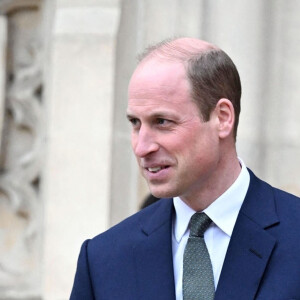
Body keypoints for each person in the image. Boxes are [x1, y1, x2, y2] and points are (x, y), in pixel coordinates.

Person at [70, 38, 300, 300]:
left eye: (162, 122)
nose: (141, 147)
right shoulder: (102, 259)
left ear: (222, 118)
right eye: (135, 123)